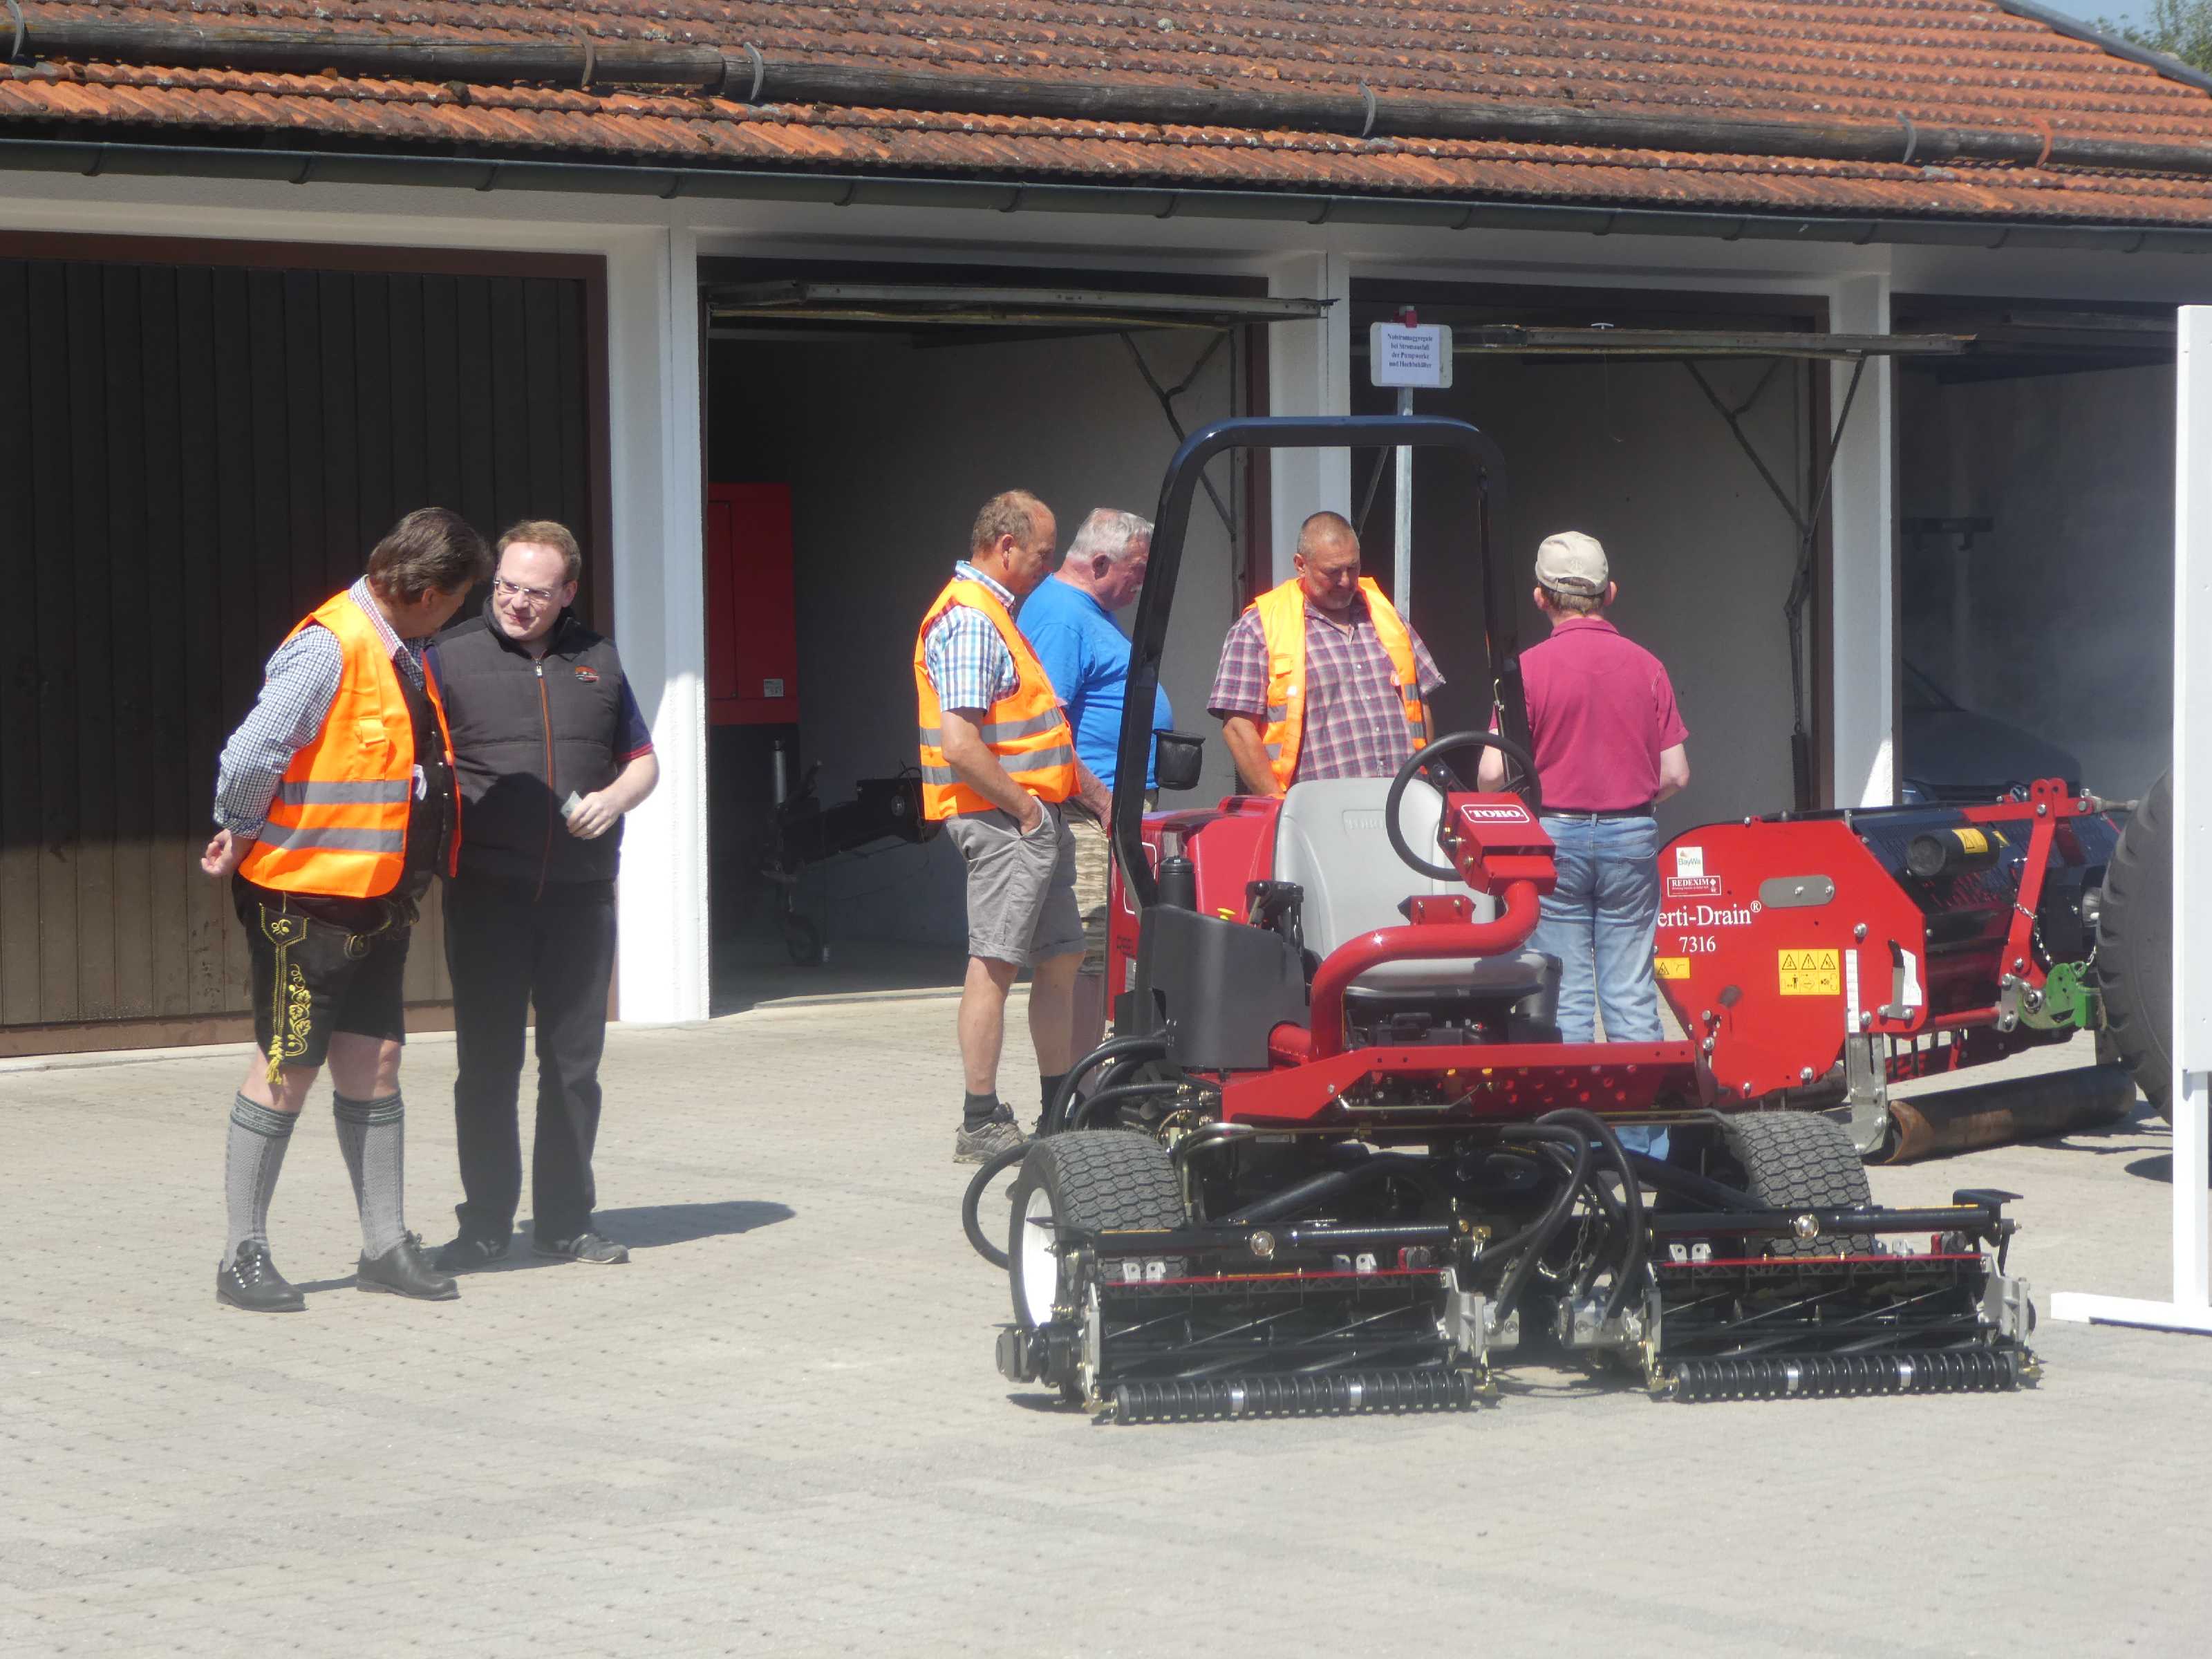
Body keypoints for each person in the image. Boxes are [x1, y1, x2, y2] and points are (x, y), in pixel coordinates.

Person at [200, 506, 490, 1313]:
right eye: (456, 600)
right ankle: (241, 1256)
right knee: (286, 1067)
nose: (456, 615)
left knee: (377, 1062)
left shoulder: (404, 651)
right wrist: (238, 826)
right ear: (426, 592)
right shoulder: (329, 647)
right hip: (303, 903)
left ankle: (384, 1247)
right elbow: (251, 753)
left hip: (377, 901)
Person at [427, 521, 659, 1272]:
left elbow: (643, 761)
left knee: (572, 1068)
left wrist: (616, 800)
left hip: (580, 896)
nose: (516, 602)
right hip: (485, 895)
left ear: (567, 593)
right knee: (487, 1068)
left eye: (534, 591)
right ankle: (485, 1226)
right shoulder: (446, 657)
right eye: (506, 586)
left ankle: (565, 1222)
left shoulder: (599, 659)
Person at [917, 490, 1112, 1162]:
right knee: (996, 962)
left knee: (1060, 957)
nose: (1048, 569)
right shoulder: (972, 620)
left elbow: (1041, 732)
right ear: (1006, 548)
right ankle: (980, 1119)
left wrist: (1094, 797)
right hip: (1004, 822)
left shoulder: (999, 616)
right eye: (1042, 555)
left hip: (1034, 820)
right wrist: (1028, 812)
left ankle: (1057, 1110)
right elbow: (960, 744)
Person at [1477, 532, 1689, 1114]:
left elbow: (1492, 772)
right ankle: (1642, 1137)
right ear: (1609, 593)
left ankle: (1574, 1136)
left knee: (1566, 994)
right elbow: (1676, 773)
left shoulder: (1524, 672)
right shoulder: (1647, 666)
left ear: (1541, 598)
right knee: (1630, 994)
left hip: (1553, 838)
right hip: (1630, 835)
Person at [1017, 508, 1169, 1059]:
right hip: (1086, 817)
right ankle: (1076, 1091)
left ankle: (1091, 1079)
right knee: (1083, 958)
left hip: (1109, 814)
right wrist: (1105, 802)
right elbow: (1045, 729)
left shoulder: (1087, 612)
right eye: (1137, 570)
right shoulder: (1063, 616)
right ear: (1101, 562)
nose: (1141, 583)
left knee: (1104, 955)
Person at [1208, 510, 1443, 794]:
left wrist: (1423, 786)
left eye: (1353, 568)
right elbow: (1238, 729)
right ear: (1301, 565)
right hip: (1317, 810)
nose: (1346, 580)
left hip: (1403, 801)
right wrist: (1279, 806)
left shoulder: (1386, 617)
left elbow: (1420, 703)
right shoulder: (1258, 629)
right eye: (1333, 572)